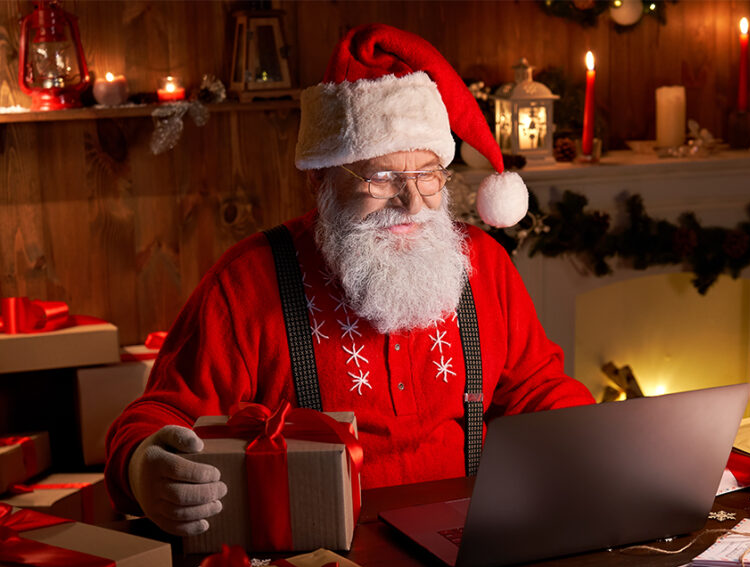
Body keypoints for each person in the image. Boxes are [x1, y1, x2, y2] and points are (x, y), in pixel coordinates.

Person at [105, 23, 594, 537]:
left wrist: (589, 442)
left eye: (428, 173)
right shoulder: (246, 284)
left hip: (470, 542)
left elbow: (539, 391)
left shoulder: (482, 265)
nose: (411, 202)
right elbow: (160, 414)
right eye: (381, 178)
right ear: (321, 179)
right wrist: (145, 468)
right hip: (319, 565)